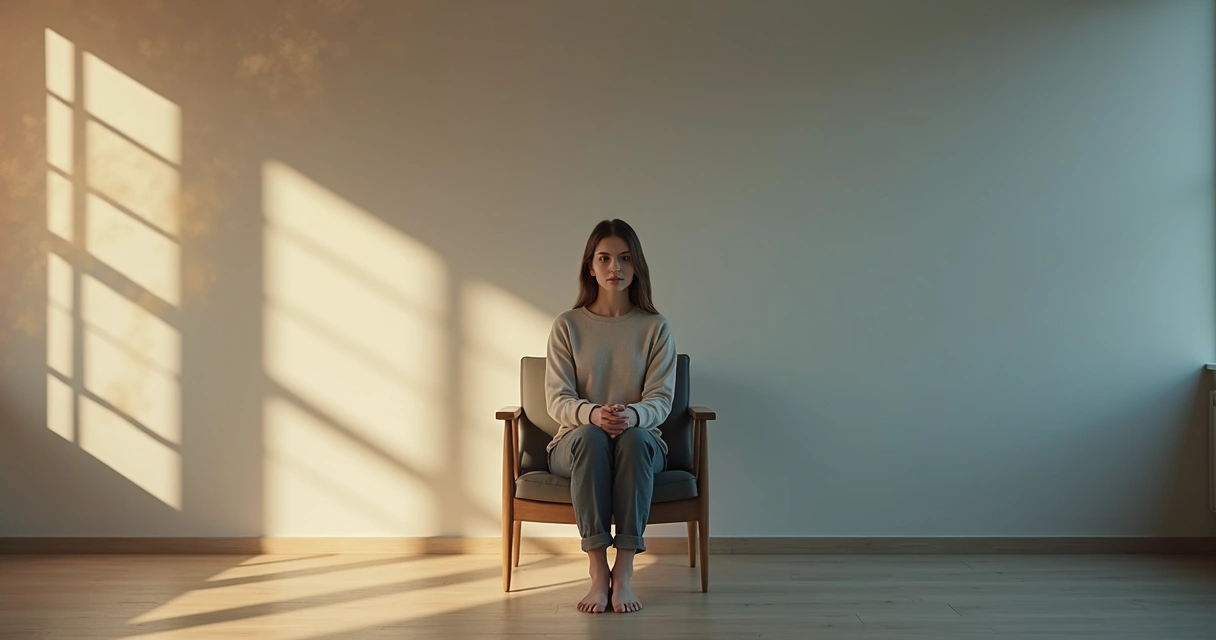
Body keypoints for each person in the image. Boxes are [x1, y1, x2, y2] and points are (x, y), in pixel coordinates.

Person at [544, 219, 677, 614]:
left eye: (624, 258)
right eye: (604, 258)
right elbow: (557, 400)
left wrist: (631, 417)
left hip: (639, 441)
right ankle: (598, 571)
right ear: (590, 266)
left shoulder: (655, 328)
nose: (614, 268)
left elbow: (662, 399)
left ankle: (625, 571)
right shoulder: (567, 326)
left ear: (636, 267)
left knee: (634, 439)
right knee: (590, 436)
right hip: (577, 444)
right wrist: (593, 415)